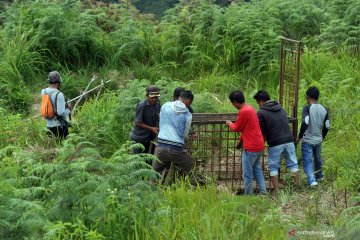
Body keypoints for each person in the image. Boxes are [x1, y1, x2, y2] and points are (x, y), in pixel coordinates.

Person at [253, 90, 299, 193]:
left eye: (257, 103)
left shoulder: (261, 112)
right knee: (293, 164)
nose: (258, 106)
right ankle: (296, 188)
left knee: (273, 167)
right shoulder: (281, 108)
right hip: (289, 140)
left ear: (260, 101)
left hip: (275, 143)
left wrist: (262, 144)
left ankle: (276, 191)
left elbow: (262, 131)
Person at [225, 90, 266, 195]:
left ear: (235, 102)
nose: (233, 105)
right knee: (257, 169)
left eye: (232, 103)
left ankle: (249, 196)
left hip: (251, 147)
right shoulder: (251, 108)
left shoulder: (243, 111)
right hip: (259, 145)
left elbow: (237, 128)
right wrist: (240, 143)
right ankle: (263, 192)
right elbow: (246, 129)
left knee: (247, 173)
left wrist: (229, 123)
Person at [153, 90, 194, 176]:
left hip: (161, 147)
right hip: (176, 149)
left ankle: (153, 184)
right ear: (188, 101)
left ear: (180, 97)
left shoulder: (165, 106)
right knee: (191, 165)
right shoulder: (187, 115)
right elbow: (184, 134)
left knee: (155, 170)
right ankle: (193, 183)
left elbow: (161, 120)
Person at [297, 86, 330, 187]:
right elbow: (327, 125)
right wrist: (322, 137)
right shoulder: (324, 109)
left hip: (307, 140)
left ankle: (312, 181)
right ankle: (319, 176)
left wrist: (299, 136)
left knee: (307, 161)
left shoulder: (307, 108)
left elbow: (305, 122)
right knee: (318, 159)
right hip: (318, 139)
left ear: (308, 97)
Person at [130, 85, 161, 154]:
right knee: (137, 159)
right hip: (139, 137)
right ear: (147, 96)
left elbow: (158, 116)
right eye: (152, 98)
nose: (154, 99)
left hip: (150, 137)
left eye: (156, 97)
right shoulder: (142, 105)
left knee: (149, 158)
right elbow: (137, 122)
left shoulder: (158, 104)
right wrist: (152, 129)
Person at [41, 71, 71, 139]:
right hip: (59, 127)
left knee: (53, 147)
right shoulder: (59, 94)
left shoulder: (43, 91)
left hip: (48, 126)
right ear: (58, 82)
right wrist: (68, 109)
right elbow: (60, 113)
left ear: (49, 81)